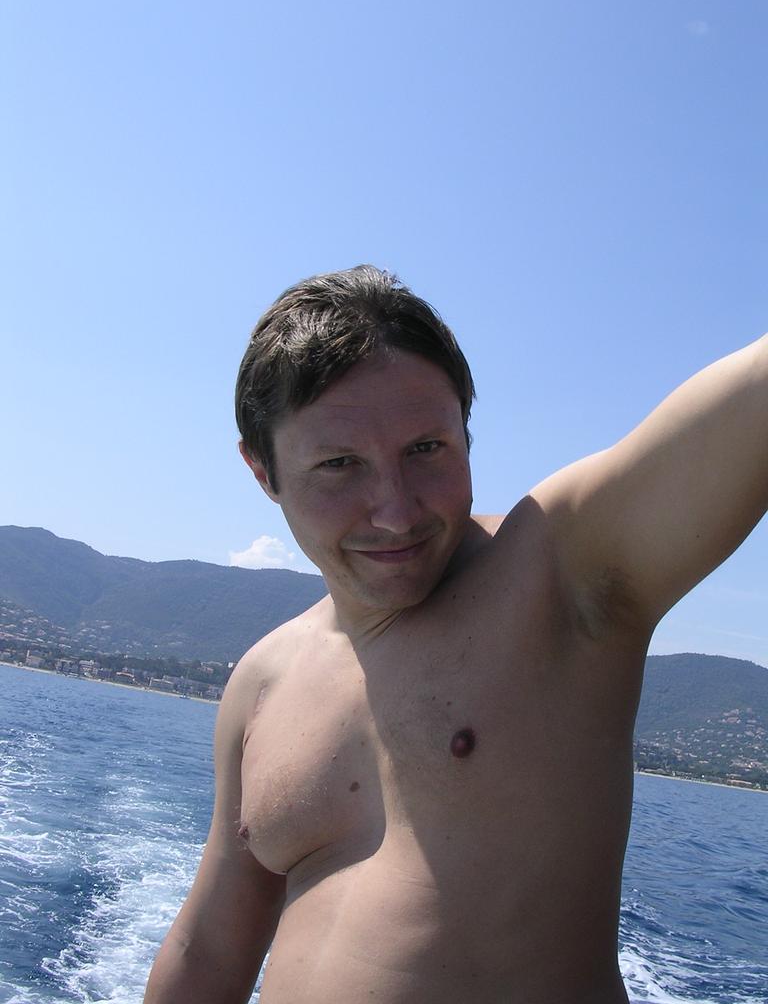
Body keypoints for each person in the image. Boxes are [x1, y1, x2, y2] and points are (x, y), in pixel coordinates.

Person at [144, 265, 767, 1004]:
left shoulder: (558, 576)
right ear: (263, 470)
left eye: (426, 449)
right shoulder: (261, 680)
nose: (396, 511)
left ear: (467, 433)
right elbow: (210, 946)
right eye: (339, 464)